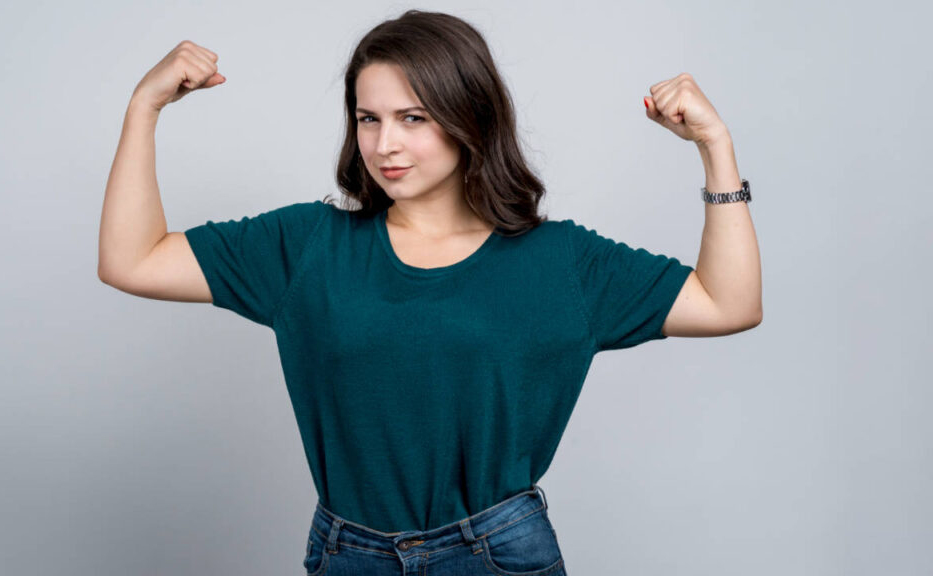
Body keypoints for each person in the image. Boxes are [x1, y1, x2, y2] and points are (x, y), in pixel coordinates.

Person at [97, 9, 762, 576]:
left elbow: (728, 304)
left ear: (468, 116)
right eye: (369, 118)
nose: (385, 144)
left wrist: (715, 146)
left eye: (414, 117)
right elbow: (133, 260)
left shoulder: (560, 261)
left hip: (497, 554)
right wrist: (142, 108)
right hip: (347, 551)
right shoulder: (308, 247)